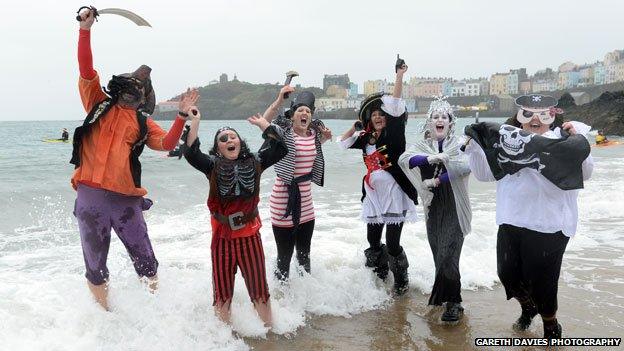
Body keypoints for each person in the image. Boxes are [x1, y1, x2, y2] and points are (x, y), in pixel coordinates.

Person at [71, 9, 192, 311]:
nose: (135, 89)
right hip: (90, 195)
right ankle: (105, 317)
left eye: (140, 87)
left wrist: (180, 115)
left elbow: (166, 143)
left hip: (125, 200)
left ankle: (155, 312)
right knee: (95, 266)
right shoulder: (98, 103)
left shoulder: (142, 122)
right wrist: (85, 29)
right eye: (132, 84)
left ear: (143, 97)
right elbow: (87, 70)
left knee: (146, 261)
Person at [463, 94, 594, 338]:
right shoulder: (506, 140)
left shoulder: (563, 140)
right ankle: (527, 307)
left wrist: (578, 139)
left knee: (543, 283)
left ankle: (550, 324)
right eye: (529, 112)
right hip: (511, 219)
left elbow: (585, 174)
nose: (535, 118)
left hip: (550, 224)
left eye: (542, 113)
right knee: (507, 275)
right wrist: (474, 148)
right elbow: (484, 175)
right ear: (520, 115)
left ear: (553, 114)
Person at [183, 107, 287, 327]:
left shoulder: (256, 161)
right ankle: (223, 340)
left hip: (250, 235)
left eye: (233, 136)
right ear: (218, 148)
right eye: (224, 138)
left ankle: (268, 335)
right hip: (222, 238)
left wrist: (264, 126)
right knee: (222, 293)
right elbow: (191, 153)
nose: (230, 140)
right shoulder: (212, 165)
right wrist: (195, 120)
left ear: (240, 142)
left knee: (260, 291)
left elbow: (280, 148)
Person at [337, 58, 418, 295]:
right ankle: (379, 279)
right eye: (374, 114)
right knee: (373, 241)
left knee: (392, 244)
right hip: (373, 195)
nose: (378, 116)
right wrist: (354, 128)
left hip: (395, 193)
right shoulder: (365, 138)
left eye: (381, 113)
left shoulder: (395, 133)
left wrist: (399, 76)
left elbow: (395, 103)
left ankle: (401, 281)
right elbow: (341, 144)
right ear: (369, 119)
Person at [398, 97, 472, 323]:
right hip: (433, 207)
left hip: (455, 205)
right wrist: (429, 158)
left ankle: (453, 303)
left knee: (450, 254)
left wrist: (439, 180)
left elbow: (465, 166)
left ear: (450, 123)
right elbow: (404, 160)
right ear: (429, 123)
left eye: (444, 117)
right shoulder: (421, 146)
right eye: (435, 117)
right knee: (439, 255)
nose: (440, 120)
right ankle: (448, 297)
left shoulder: (458, 145)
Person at [260, 87, 332, 281]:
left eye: (308, 111)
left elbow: (311, 152)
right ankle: (283, 300)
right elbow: (265, 122)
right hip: (283, 200)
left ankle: (304, 296)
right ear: (292, 116)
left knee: (304, 254)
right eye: (300, 110)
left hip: (306, 202)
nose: (304, 113)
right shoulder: (284, 135)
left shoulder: (312, 136)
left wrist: (325, 137)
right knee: (284, 256)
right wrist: (278, 100)